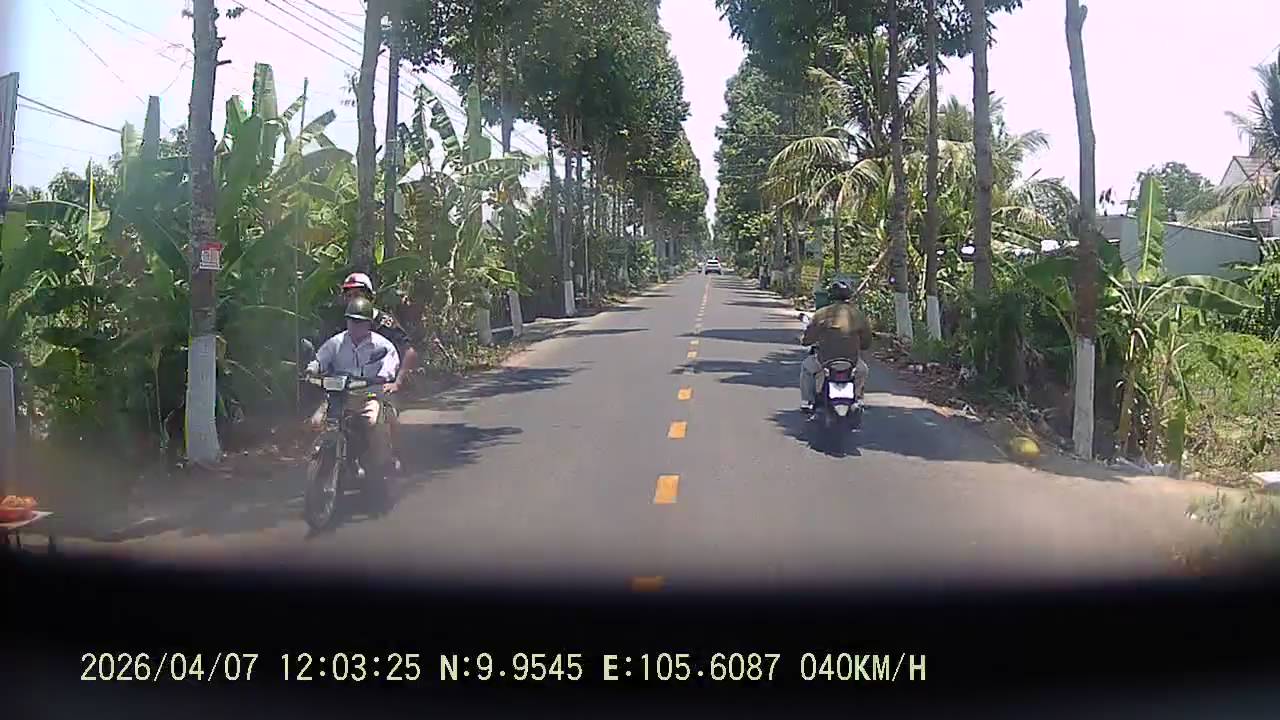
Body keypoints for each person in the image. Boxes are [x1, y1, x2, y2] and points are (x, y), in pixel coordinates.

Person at [335, 272, 420, 472]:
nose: (352, 299)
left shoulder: (384, 322)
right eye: (348, 295)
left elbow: (409, 352)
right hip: (348, 384)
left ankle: (391, 458)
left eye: (358, 294)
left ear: (369, 297)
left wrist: (397, 382)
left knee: (384, 417)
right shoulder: (342, 321)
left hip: (380, 385)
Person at [306, 297, 401, 477]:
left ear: (369, 324)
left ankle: (381, 463)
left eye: (360, 322)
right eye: (351, 321)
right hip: (338, 396)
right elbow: (321, 359)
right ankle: (320, 459)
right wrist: (312, 369)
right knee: (316, 423)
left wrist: (380, 377)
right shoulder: (336, 342)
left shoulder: (382, 345)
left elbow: (390, 365)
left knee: (372, 422)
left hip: (368, 395)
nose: (355, 326)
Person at [799, 279, 872, 415]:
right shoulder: (858, 315)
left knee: (807, 368)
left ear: (831, 295)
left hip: (825, 361)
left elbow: (808, 338)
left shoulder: (822, 313)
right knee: (863, 370)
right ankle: (857, 398)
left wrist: (805, 341)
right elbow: (867, 341)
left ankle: (807, 401)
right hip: (851, 362)